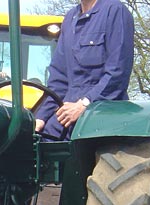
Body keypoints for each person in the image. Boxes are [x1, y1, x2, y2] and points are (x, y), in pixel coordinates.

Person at [34, 0, 134, 140]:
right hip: (69, 109)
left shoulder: (114, 11)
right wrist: (40, 117)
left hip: (103, 109)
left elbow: (117, 72)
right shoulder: (70, 18)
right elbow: (59, 80)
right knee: (37, 142)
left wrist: (84, 105)